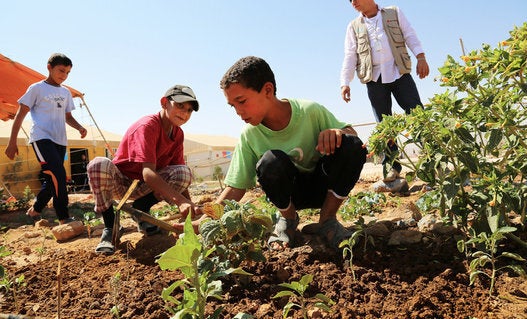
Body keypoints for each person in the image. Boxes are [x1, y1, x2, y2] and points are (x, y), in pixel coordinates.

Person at [212, 56, 367, 251]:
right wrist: (205, 219)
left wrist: (338, 133)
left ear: (268, 90)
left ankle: (327, 221)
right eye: (233, 105)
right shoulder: (249, 135)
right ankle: (288, 221)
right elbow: (235, 187)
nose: (238, 111)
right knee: (270, 161)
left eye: (242, 101)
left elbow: (353, 138)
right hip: (290, 197)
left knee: (351, 145)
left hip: (325, 190)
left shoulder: (309, 111)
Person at [88, 85, 200, 255]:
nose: (184, 113)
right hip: (122, 183)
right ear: (164, 103)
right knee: (98, 165)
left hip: (143, 187)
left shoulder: (178, 134)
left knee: (183, 173)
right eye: (180, 105)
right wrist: (180, 201)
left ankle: (141, 208)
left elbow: (178, 172)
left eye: (189, 110)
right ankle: (111, 227)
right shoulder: (147, 126)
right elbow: (148, 172)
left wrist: (190, 216)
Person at [339, 0, 430, 182]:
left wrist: (421, 57)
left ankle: (433, 160)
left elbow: (410, 35)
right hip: (374, 80)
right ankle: (391, 167)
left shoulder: (394, 12)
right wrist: (345, 82)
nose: (352, 2)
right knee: (384, 126)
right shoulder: (353, 27)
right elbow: (350, 55)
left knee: (417, 114)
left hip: (400, 74)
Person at [4, 53, 88, 224]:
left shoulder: (65, 92)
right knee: (58, 175)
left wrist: (79, 127)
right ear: (49, 67)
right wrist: (12, 141)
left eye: (67, 73)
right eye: (61, 70)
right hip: (41, 138)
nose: (63, 75)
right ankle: (64, 217)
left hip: (60, 140)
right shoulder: (37, 88)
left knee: (52, 179)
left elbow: (68, 116)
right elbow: (20, 115)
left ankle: (34, 210)